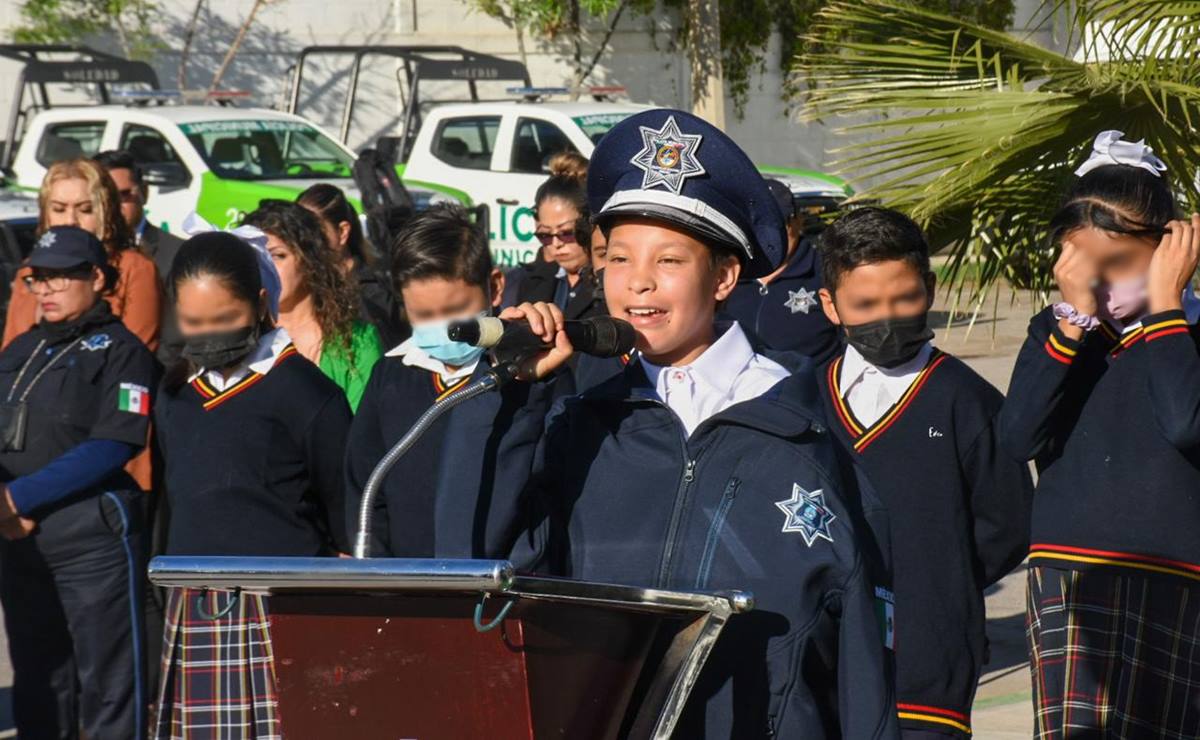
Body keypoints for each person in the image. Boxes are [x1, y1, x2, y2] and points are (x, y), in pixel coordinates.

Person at [434, 109, 899, 738]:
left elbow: (864, 667)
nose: (639, 283)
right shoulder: (580, 428)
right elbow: (467, 560)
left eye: (670, 260)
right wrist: (508, 398)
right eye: (618, 258)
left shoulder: (805, 433)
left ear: (724, 276)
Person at [999, 131, 1200, 739]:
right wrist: (1070, 326)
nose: (1106, 282)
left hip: (1177, 577)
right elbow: (1018, 439)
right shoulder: (1058, 331)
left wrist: (1165, 310)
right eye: (1089, 265)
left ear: (1171, 247)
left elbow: (1185, 423)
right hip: (1069, 577)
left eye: (1121, 263)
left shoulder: (1186, 332)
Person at [815, 207, 1033, 738]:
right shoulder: (799, 400)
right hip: (820, 669)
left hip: (927, 671)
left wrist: (939, 575)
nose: (887, 317)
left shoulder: (969, 401)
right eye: (866, 305)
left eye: (905, 299)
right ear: (830, 305)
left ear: (930, 290)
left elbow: (1007, 526)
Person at [154, 230, 352, 738]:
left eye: (224, 320)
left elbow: (342, 508)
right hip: (195, 600)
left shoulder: (307, 394)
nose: (209, 335)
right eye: (194, 323)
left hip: (282, 603)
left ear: (261, 303)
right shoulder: (176, 395)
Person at [0, 226, 157, 739]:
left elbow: (114, 443)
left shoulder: (122, 351)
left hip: (90, 540)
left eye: (60, 276)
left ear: (96, 277)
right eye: (37, 278)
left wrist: (15, 497)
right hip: (19, 543)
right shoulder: (21, 349)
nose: (45, 288)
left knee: (110, 685)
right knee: (39, 683)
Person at [345, 204, 506, 556]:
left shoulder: (522, 374)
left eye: (455, 312)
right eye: (423, 315)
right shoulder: (391, 377)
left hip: (496, 577)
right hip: (407, 578)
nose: (442, 329)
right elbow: (364, 483)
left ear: (494, 287)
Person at [3, 158, 161, 352]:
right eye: (59, 209)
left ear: (107, 212)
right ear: (45, 214)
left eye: (86, 210)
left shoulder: (134, 268)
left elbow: (136, 353)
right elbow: (10, 350)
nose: (71, 220)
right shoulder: (29, 269)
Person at [243, 200, 383, 411]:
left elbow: (362, 424)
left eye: (277, 255)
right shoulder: (239, 340)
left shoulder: (358, 342)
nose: (265, 268)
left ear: (309, 260)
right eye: (256, 257)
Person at [723, 178, 840, 362]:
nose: (770, 235)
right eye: (758, 224)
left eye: (780, 224)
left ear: (798, 221)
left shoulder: (826, 273)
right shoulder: (723, 275)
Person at [94, 150, 185, 365]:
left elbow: (177, 339)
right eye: (103, 197)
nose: (112, 205)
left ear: (144, 192)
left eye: (123, 195)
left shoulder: (177, 254)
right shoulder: (79, 254)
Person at [297, 183, 407, 348]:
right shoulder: (305, 286)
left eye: (315, 232)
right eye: (297, 232)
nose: (304, 242)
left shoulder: (371, 296)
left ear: (342, 232)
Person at [513, 152, 605, 321]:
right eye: (545, 235)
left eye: (567, 233)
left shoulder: (610, 282)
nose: (556, 244)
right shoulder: (532, 280)